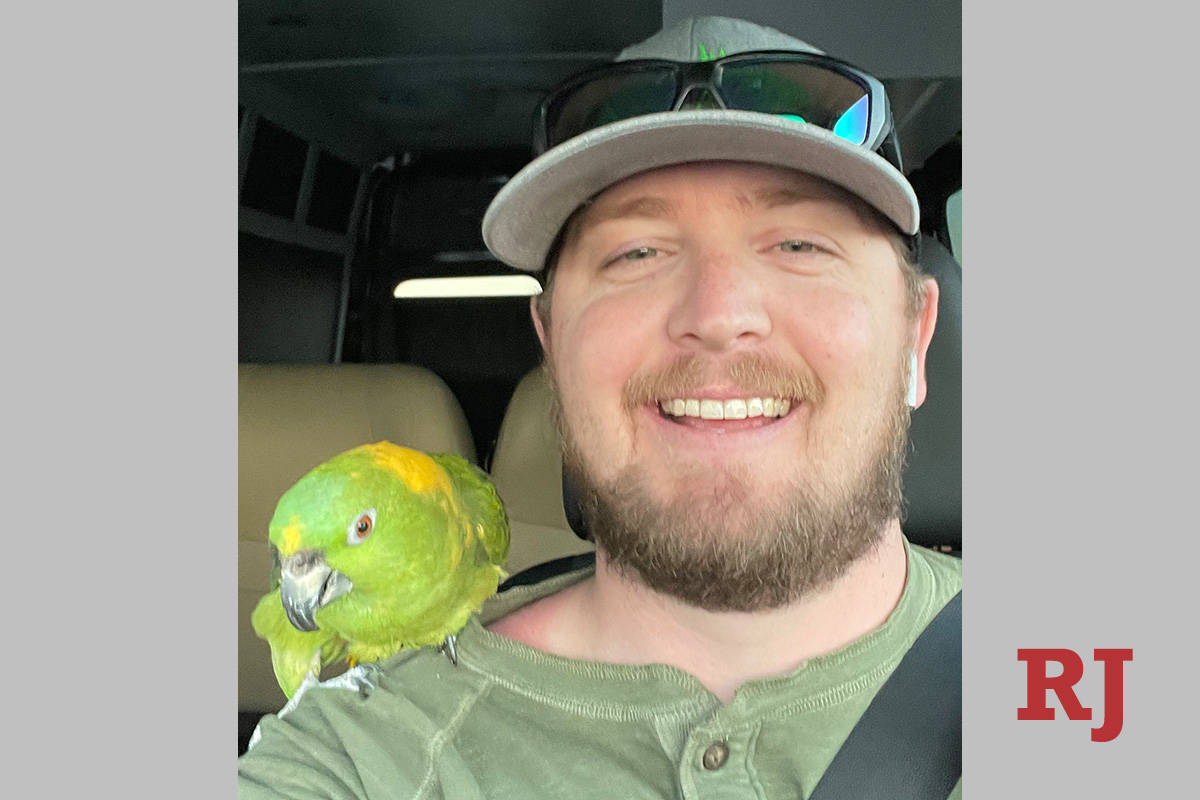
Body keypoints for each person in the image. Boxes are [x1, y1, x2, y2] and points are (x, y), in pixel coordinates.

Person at [238, 15, 962, 799]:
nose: (717, 314)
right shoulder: (353, 756)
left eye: (799, 246)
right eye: (636, 254)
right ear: (551, 348)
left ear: (915, 339)